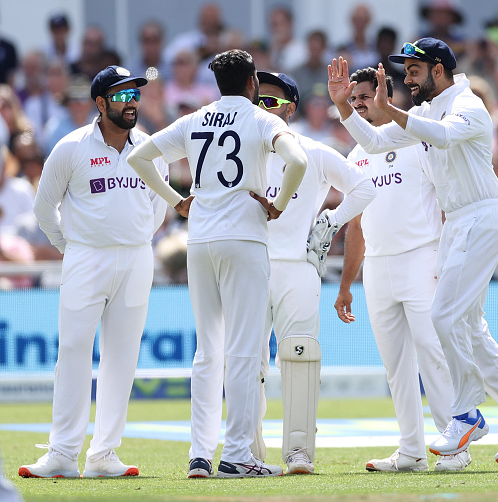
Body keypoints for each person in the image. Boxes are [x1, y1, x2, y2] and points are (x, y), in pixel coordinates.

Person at [327, 37, 498, 464]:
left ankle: (465, 415)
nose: (407, 78)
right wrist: (343, 107)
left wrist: (391, 110)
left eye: (414, 70)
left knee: (444, 316)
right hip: (459, 223)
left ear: (439, 69)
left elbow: (445, 137)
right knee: (469, 325)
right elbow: (374, 143)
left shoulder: (468, 104)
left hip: (481, 218)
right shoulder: (425, 111)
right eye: (405, 70)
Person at [127, 49, 308, 478]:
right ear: (251, 85)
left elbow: (139, 159)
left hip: (201, 239)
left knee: (207, 351)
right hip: (243, 237)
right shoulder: (264, 119)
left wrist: (177, 202)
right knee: (244, 350)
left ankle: (200, 455)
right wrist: (278, 204)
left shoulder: (196, 119)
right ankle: (239, 455)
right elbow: (297, 161)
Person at [19, 65, 169, 478]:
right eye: (121, 96)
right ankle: (63, 454)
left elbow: (159, 206)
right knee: (74, 352)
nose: (131, 102)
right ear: (100, 103)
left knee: (122, 357)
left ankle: (104, 454)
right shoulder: (71, 147)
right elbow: (43, 208)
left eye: (134, 94)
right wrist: (72, 247)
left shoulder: (151, 148)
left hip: (137, 258)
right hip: (86, 257)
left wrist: (136, 237)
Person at [334, 66, 469, 473]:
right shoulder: (356, 154)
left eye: (366, 95)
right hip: (378, 266)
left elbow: (446, 205)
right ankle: (411, 449)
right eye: (353, 98)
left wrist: (446, 264)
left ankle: (455, 447)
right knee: (396, 365)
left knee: (433, 354)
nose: (359, 103)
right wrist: (345, 286)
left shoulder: (417, 138)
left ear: (385, 94)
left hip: (421, 258)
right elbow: (355, 225)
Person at [252, 71, 375, 474]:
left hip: (300, 268)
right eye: (256, 100)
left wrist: (331, 220)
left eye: (269, 101)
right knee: (247, 361)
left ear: (290, 107)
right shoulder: (240, 152)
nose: (260, 108)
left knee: (300, 357)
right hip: (249, 267)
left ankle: (299, 452)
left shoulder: (314, 152)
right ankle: (248, 452)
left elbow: (365, 189)